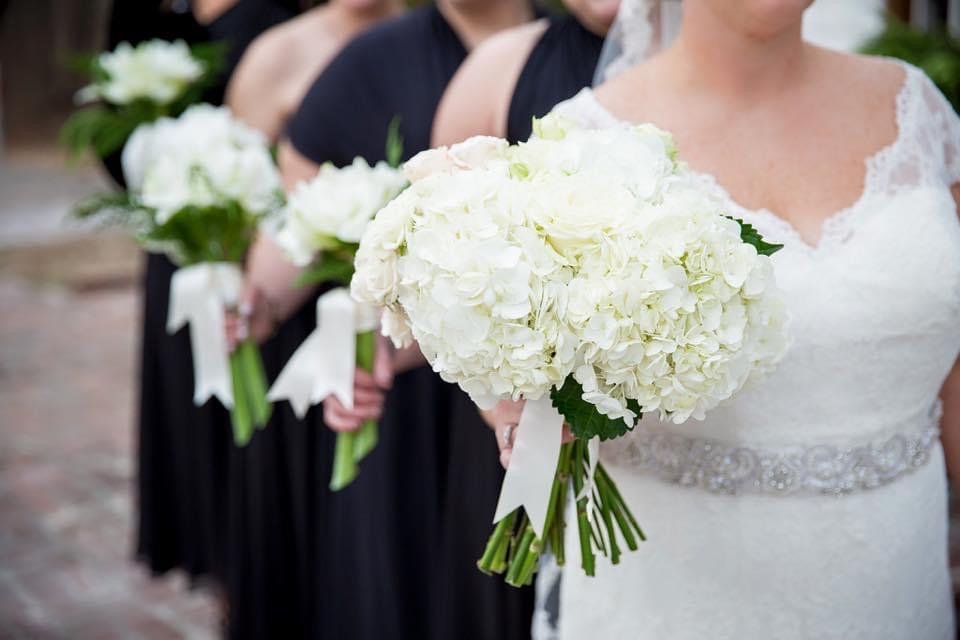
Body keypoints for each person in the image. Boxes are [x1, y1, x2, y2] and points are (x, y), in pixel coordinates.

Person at [485, 0, 960, 637]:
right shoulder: (580, 147)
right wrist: (517, 404)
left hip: (894, 584)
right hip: (668, 596)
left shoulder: (919, 110)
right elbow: (527, 375)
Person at [233, 2, 539, 638]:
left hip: (540, 397)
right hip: (408, 391)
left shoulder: (585, 49)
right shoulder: (369, 63)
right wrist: (254, 302)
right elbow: (304, 211)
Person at [217, 2, 402, 638]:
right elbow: (263, 199)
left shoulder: (423, 44)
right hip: (322, 315)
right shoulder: (283, 51)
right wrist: (252, 295)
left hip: (426, 340)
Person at [128, 0, 299, 592]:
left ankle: (249, 549)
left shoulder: (278, 17)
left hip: (260, 234)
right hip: (183, 235)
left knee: (256, 398)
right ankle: (207, 547)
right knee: (189, 395)